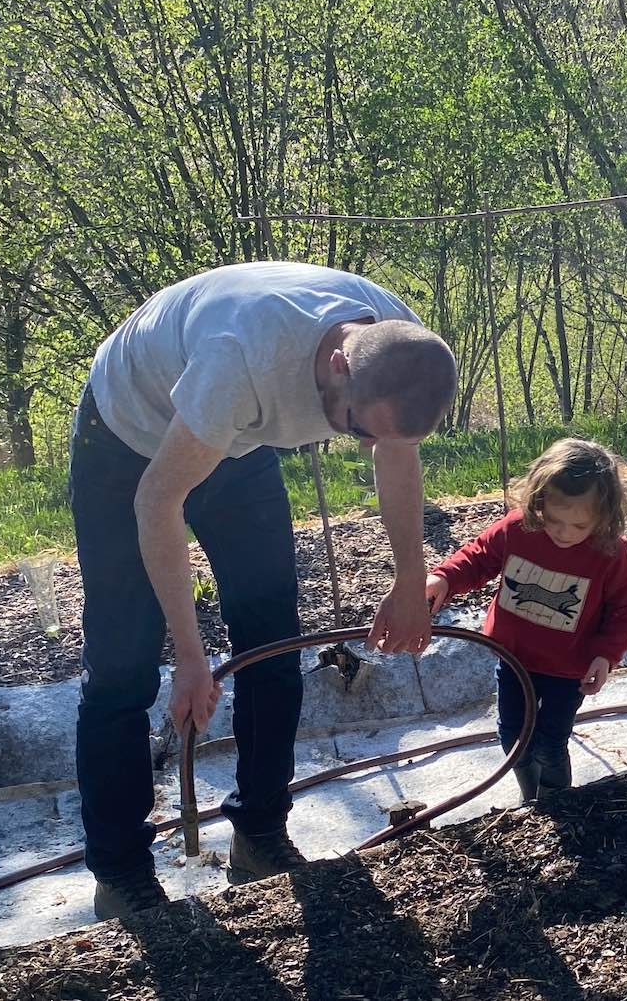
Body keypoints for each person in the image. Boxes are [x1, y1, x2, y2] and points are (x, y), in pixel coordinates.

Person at [70, 261, 456, 919]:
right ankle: (122, 873)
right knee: (122, 666)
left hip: (235, 441)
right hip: (129, 435)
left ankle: (260, 835)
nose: (364, 442)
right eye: (357, 427)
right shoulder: (242, 359)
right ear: (338, 364)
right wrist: (191, 658)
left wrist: (411, 577)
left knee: (273, 642)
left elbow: (395, 452)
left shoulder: (401, 349)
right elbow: (157, 503)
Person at [426, 438, 627, 801]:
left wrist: (606, 655)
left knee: (550, 740)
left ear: (605, 517)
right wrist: (444, 578)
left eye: (578, 526)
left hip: (569, 669)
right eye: (553, 519)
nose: (562, 532)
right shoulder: (518, 529)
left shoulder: (608, 553)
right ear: (537, 501)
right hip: (513, 657)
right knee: (513, 734)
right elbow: (479, 558)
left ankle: (558, 800)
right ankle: (531, 799)